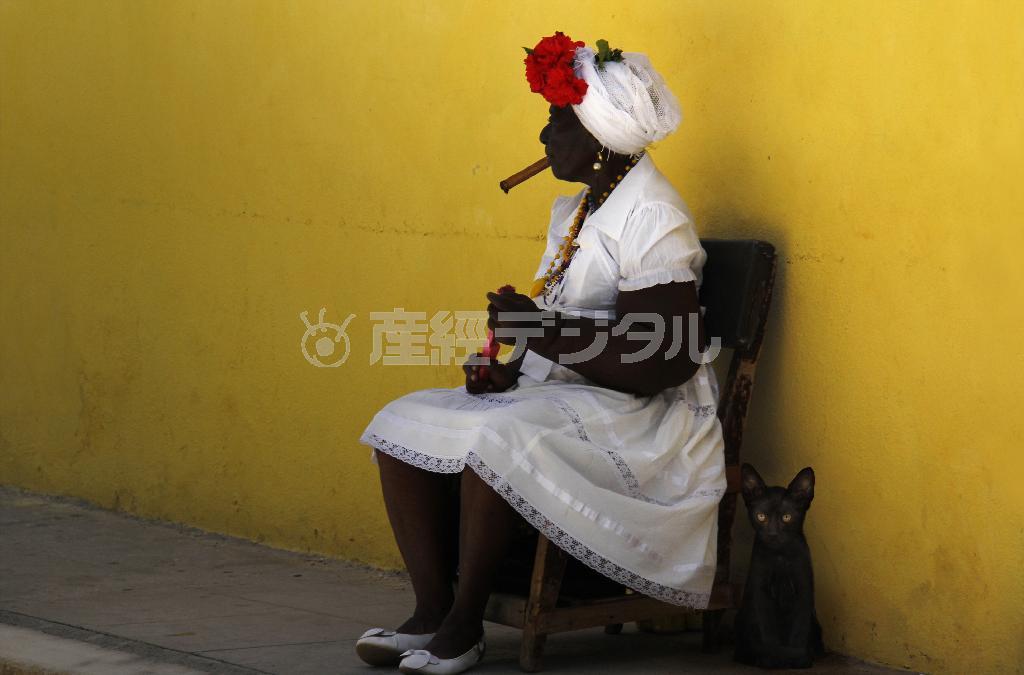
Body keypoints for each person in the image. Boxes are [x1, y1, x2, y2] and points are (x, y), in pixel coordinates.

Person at [355, 32, 726, 675]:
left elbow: (662, 360)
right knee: (401, 421)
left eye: (558, 120)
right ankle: (431, 611)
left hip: (646, 413)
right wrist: (509, 365)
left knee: (495, 437)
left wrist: (540, 332)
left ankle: (464, 627)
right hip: (576, 390)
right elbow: (557, 323)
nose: (544, 136)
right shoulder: (578, 210)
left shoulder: (652, 214)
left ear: (601, 136)